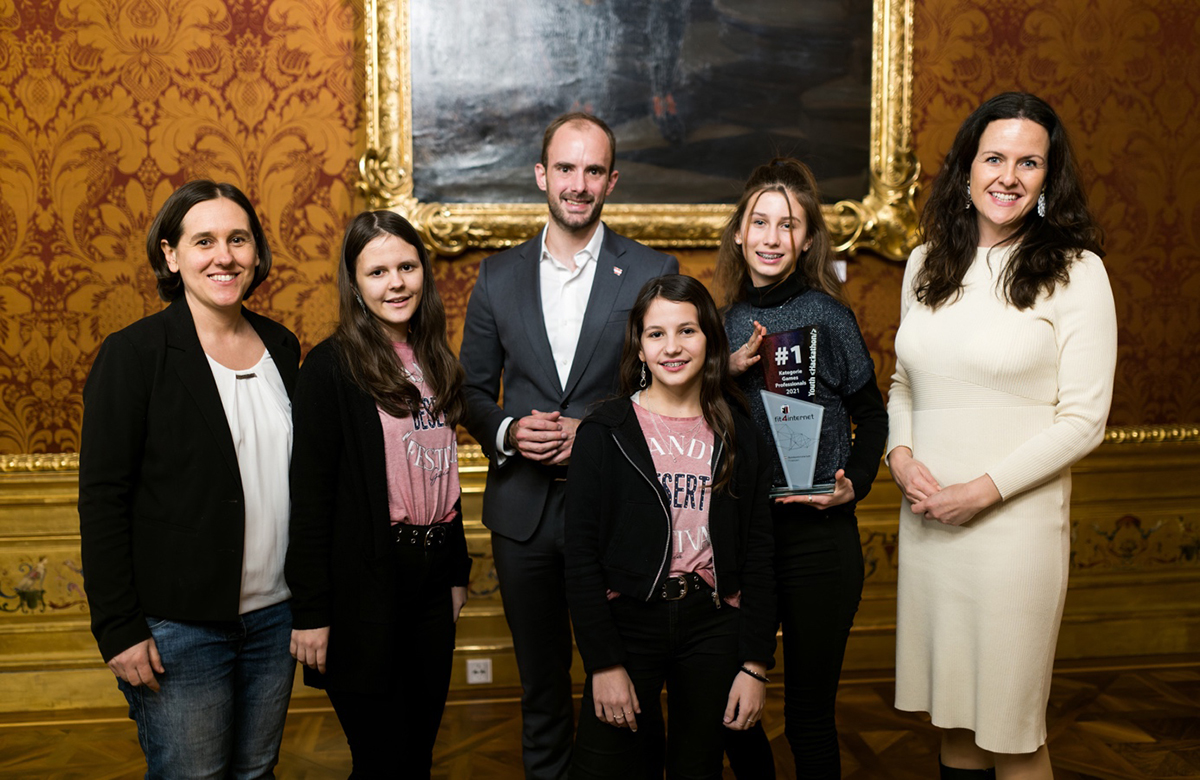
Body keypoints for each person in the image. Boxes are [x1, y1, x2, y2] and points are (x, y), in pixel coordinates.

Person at [887, 92, 1117, 779]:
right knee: (955, 724)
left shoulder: (1079, 273)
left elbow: (1085, 420)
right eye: (994, 157)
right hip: (930, 525)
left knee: (1013, 734)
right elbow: (903, 382)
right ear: (966, 168)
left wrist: (980, 493)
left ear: (1050, 179)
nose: (1008, 175)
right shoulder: (926, 263)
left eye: (1029, 162)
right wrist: (899, 456)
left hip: (1013, 535)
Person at [459, 112, 678, 778]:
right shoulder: (497, 276)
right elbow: (469, 390)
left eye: (592, 171)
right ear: (541, 176)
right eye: (565, 169)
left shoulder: (648, 269)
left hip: (616, 513)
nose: (577, 185)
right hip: (522, 517)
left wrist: (598, 433)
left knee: (629, 683)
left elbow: (672, 390)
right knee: (543, 688)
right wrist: (506, 431)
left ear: (611, 180)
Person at [79, 180, 300, 778]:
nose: (223, 256)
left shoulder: (282, 346)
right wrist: (119, 629)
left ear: (256, 253)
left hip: (275, 620)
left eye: (238, 239)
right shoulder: (134, 354)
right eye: (203, 241)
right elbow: (103, 500)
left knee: (256, 772)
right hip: (178, 629)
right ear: (171, 256)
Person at [564, 274, 777, 779]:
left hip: (712, 623)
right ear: (639, 346)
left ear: (710, 340)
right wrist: (603, 663)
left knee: (696, 768)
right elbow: (580, 557)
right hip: (629, 623)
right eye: (656, 334)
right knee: (607, 767)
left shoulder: (738, 430)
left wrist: (755, 665)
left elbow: (761, 552)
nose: (672, 347)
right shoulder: (605, 431)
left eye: (687, 331)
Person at [717, 158, 889, 778]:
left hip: (820, 541)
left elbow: (872, 416)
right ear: (739, 232)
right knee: (730, 708)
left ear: (807, 239)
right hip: (742, 543)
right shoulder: (724, 325)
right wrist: (722, 372)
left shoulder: (830, 316)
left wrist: (856, 487)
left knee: (810, 716)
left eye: (786, 225)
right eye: (758, 222)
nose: (769, 236)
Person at [285, 211, 472, 778]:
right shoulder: (329, 367)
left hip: (432, 580)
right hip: (363, 588)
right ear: (355, 284)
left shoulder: (437, 360)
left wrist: (456, 571)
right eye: (378, 272)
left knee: (416, 757)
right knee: (382, 759)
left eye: (407, 267)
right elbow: (310, 497)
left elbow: (445, 475)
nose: (396, 283)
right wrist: (312, 612)